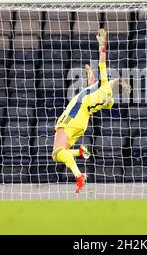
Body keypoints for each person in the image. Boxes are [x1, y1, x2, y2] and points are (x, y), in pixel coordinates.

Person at [53, 29, 131, 193]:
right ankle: (80, 151)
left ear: (112, 83)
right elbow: (92, 87)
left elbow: (102, 61)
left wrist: (103, 45)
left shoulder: (104, 85)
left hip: (74, 114)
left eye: (114, 79)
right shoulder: (109, 99)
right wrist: (90, 74)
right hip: (82, 122)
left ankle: (79, 175)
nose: (112, 78)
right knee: (59, 154)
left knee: (58, 152)